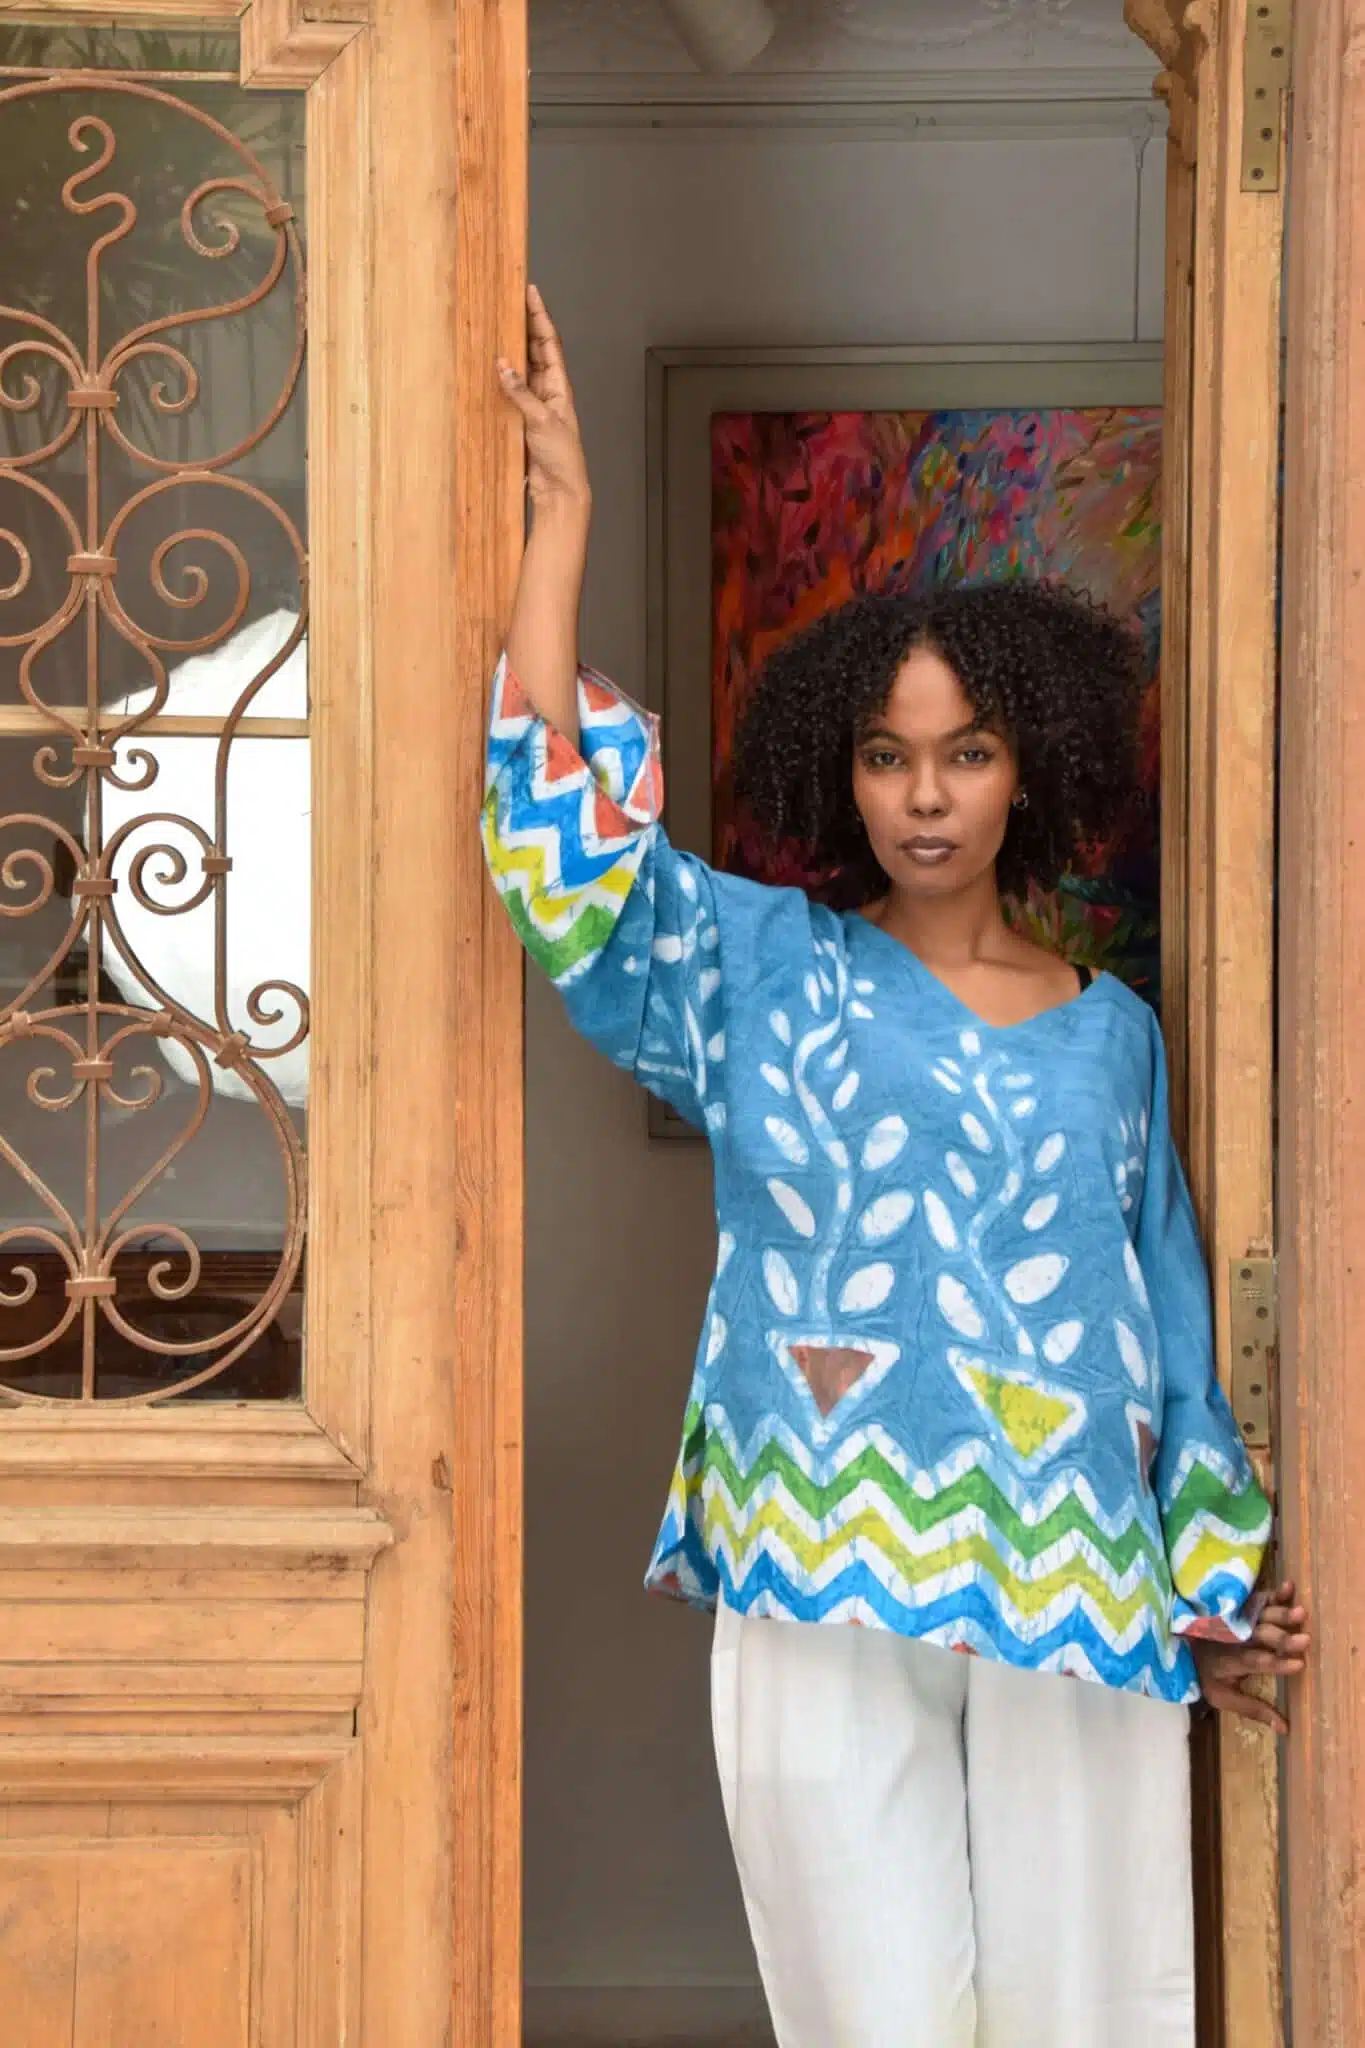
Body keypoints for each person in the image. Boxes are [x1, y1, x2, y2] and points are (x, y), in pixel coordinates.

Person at [485, 288, 1310, 2048]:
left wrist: (1209, 1589)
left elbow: (1164, 1324)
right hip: (819, 1552)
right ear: (842, 775)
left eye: (966, 754)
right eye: (887, 756)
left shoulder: (1114, 1036)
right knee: (873, 2018)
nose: (925, 796)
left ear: (1028, 771)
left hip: (1075, 1576)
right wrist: (562, 516)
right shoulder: (762, 968)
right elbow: (570, 857)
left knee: (1096, 2012)